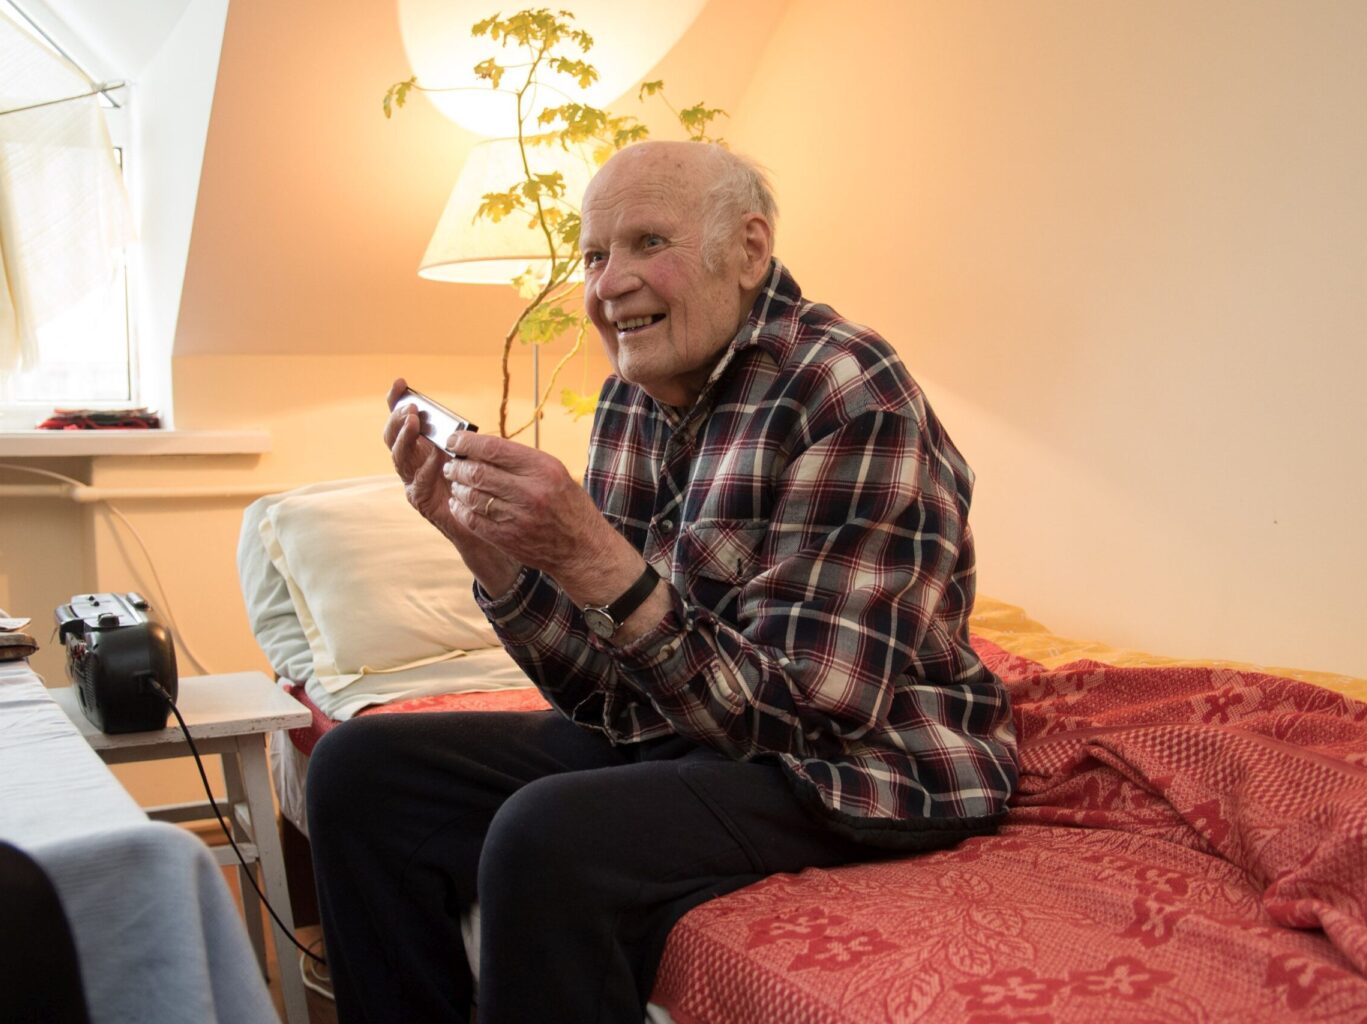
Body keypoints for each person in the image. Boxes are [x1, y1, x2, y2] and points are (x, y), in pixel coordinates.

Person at [307, 140, 1018, 1024]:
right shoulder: (629, 400)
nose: (609, 285)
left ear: (750, 250)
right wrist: (488, 553)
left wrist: (592, 556)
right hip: (695, 728)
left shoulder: (847, 392)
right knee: (360, 769)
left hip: (860, 763)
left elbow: (803, 717)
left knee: (548, 833)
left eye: (648, 243)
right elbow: (599, 692)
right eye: (595, 256)